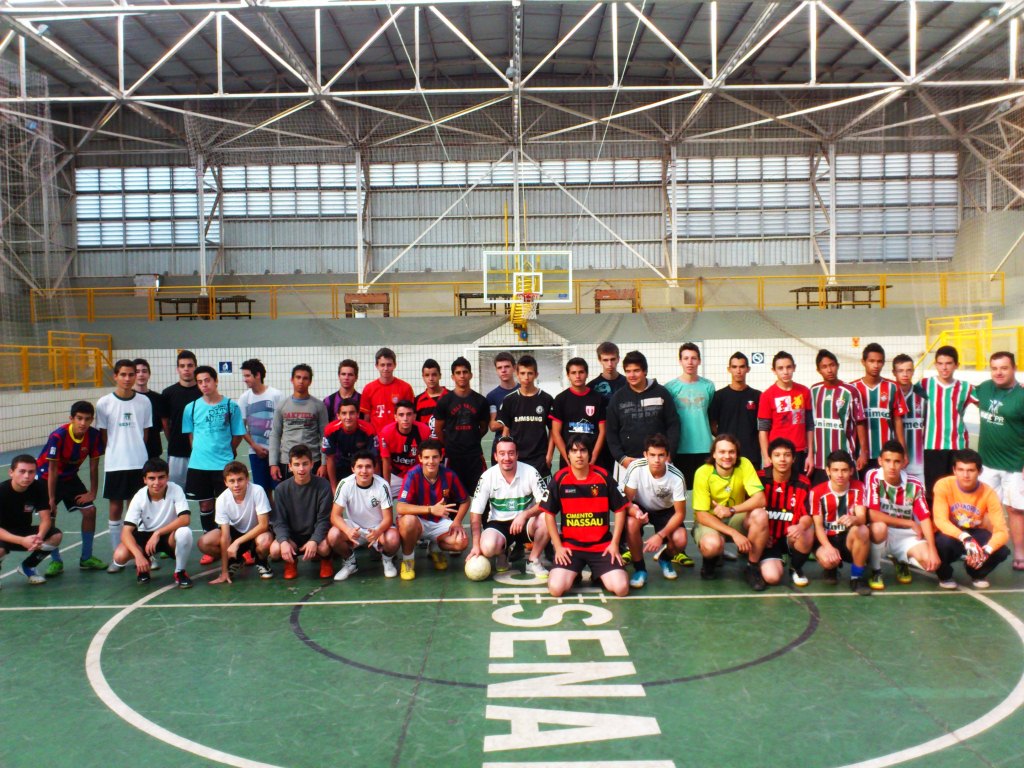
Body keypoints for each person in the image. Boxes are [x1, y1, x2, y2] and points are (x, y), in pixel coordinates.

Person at [544, 436, 630, 598]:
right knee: (556, 589)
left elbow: (620, 509)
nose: (579, 455)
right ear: (568, 455)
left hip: (601, 547)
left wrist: (614, 544)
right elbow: (548, 514)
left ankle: (599, 575)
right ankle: (574, 573)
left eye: (583, 450)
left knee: (621, 589)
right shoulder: (560, 478)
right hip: (571, 547)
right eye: (574, 451)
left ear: (589, 454)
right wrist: (558, 547)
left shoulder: (603, 476)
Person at [35, 400, 107, 574]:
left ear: (92, 420)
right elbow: (52, 469)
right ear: (71, 418)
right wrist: (51, 499)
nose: (83, 423)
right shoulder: (58, 436)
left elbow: (94, 466)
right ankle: (56, 561)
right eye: (79, 418)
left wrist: (92, 492)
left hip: (69, 477)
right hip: (46, 477)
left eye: (87, 419)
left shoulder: (93, 436)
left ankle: (86, 558)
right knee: (50, 516)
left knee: (90, 511)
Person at [691, 433, 768, 590]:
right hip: (711, 521)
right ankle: (710, 561)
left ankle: (752, 567)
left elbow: (760, 499)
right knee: (712, 545)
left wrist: (732, 510)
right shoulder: (702, 472)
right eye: (722, 452)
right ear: (714, 454)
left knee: (760, 515)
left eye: (731, 452)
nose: (727, 456)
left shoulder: (744, 464)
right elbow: (701, 515)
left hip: (734, 517)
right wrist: (734, 533)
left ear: (737, 454)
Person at [96, 359, 152, 573]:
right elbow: (104, 435)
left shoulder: (144, 402)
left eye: (131, 374)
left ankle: (144, 553)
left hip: (139, 462)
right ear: (115, 376)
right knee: (115, 507)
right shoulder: (104, 403)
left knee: (138, 508)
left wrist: (136, 450)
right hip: (115, 463)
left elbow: (145, 433)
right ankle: (118, 555)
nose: (128, 378)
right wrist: (116, 450)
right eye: (123, 374)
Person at [467, 436, 551, 579]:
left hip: (525, 523)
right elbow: (475, 513)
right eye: (502, 453)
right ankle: (502, 553)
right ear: (495, 456)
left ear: (517, 455)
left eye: (511, 453)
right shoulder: (487, 477)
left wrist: (525, 515)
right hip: (499, 524)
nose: (507, 458)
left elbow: (545, 502)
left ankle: (533, 560)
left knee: (546, 518)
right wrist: (475, 545)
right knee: (487, 547)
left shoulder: (530, 472)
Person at [182, 365, 246, 548]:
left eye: (207, 380)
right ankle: (210, 543)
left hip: (223, 466)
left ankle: (234, 543)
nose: (204, 385)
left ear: (216, 381)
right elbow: (191, 435)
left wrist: (227, 450)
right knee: (205, 505)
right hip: (199, 465)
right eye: (200, 382)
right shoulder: (191, 408)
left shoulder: (231, 406)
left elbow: (238, 434)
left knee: (228, 505)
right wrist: (199, 451)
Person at [974, 351, 1024, 571]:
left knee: (1015, 510)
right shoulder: (984, 388)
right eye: (994, 368)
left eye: (1004, 368)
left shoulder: (1021, 395)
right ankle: (985, 549)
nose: (999, 372)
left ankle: (1020, 553)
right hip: (987, 463)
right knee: (984, 509)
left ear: (1014, 368)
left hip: (1015, 465)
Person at [864, 440, 940, 585]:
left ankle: (901, 560)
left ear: (904, 462)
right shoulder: (873, 476)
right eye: (888, 461)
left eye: (897, 461)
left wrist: (933, 549)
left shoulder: (914, 484)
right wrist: (909, 523)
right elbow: (872, 514)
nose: (892, 466)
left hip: (905, 536)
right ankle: (876, 570)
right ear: (880, 461)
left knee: (929, 563)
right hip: (883, 533)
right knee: (879, 527)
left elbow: (924, 517)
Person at [932, 449, 1010, 589]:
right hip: (951, 533)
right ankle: (944, 575)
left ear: (979, 472)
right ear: (954, 470)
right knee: (942, 542)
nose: (965, 475)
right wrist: (965, 537)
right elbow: (940, 521)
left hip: (974, 531)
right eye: (961, 470)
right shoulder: (943, 485)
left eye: (971, 470)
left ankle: (977, 572)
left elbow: (1002, 531)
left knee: (1001, 550)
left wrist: (987, 550)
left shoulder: (989, 493)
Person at [110, 458, 193, 588]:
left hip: (168, 536)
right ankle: (144, 563)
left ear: (167, 477)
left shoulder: (176, 490)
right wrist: (138, 556)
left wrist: (157, 533)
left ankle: (180, 572)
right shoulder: (139, 497)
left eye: (161, 477)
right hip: (145, 538)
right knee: (119, 556)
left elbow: (185, 519)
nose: (157, 482)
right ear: (145, 480)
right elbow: (125, 532)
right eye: (152, 478)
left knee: (185, 532)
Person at [396, 439, 469, 580]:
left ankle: (435, 548)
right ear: (420, 458)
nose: (431, 461)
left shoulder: (449, 475)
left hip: (439, 522)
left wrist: (457, 521)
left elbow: (465, 500)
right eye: (426, 457)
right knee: (408, 522)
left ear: (441, 457)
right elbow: (400, 507)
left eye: (435, 457)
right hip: (418, 521)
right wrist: (430, 509)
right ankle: (408, 560)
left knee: (461, 541)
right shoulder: (412, 475)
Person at [621, 434, 689, 585]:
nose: (656, 460)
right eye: (652, 455)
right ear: (645, 455)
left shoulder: (677, 477)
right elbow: (626, 501)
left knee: (681, 539)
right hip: (641, 506)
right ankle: (640, 569)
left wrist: (660, 535)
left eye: (661, 455)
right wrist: (635, 512)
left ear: (667, 456)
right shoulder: (636, 468)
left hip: (666, 510)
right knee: (631, 523)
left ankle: (665, 558)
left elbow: (680, 513)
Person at [328, 450, 401, 581]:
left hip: (378, 528)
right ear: (353, 469)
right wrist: (347, 530)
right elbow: (335, 516)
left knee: (393, 539)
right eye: (359, 467)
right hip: (355, 528)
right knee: (333, 535)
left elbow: (388, 518)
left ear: (374, 468)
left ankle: (387, 560)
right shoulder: (344, 484)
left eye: (368, 466)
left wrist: (378, 531)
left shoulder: (383, 485)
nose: (364, 471)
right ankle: (350, 563)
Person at [809, 451, 873, 596]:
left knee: (863, 530)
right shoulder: (817, 492)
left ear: (851, 471)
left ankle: (856, 578)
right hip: (827, 538)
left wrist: (854, 519)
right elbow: (818, 526)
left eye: (844, 470)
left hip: (847, 538)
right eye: (835, 470)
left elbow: (862, 517)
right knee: (828, 561)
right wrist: (828, 547)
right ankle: (830, 569)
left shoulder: (859, 487)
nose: (840, 475)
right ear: (828, 471)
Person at [198, 461, 273, 583]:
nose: (236, 485)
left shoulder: (257, 491)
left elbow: (263, 525)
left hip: (257, 532)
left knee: (265, 541)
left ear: (247, 479)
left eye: (240, 480)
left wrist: (237, 542)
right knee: (204, 542)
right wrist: (224, 571)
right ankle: (235, 560)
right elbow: (225, 536)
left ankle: (261, 561)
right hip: (236, 532)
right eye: (232, 481)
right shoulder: (222, 500)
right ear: (225, 482)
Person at [605, 350, 680, 472]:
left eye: (636, 370)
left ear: (645, 371)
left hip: (659, 461)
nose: (632, 375)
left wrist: (669, 454)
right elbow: (611, 432)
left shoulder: (661, 393)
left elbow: (673, 425)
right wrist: (621, 458)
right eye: (628, 371)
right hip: (628, 463)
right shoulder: (618, 398)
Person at [920, 345, 977, 503]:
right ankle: (935, 518)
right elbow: (904, 393)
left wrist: (1016, 387)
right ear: (935, 364)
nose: (944, 368)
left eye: (948, 363)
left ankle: (956, 519)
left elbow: (988, 400)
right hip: (932, 445)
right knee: (934, 490)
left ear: (956, 365)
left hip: (957, 446)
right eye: (940, 363)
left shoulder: (965, 387)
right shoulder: (924, 385)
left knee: (957, 490)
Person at [269, 445, 335, 580]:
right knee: (275, 550)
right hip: (293, 536)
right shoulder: (281, 489)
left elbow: (324, 519)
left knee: (324, 547)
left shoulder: (323, 486)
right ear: (290, 466)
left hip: (315, 532)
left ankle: (325, 559)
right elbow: (279, 521)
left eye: (305, 464)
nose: (301, 469)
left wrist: (314, 540)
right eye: (296, 464)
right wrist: (284, 541)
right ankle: (291, 561)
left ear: (312, 464)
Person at [757, 438, 814, 587]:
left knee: (807, 532)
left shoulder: (803, 482)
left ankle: (796, 568)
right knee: (772, 578)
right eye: (777, 455)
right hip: (767, 540)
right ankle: (760, 562)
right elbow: (749, 515)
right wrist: (760, 536)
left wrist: (800, 526)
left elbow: (807, 516)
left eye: (787, 455)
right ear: (770, 458)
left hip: (790, 537)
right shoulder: (759, 479)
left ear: (794, 459)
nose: (782, 459)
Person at [0, 455, 63, 586]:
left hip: (23, 530)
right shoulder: (2, 491)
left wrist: (39, 537)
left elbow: (46, 519)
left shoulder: (38, 487)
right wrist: (22, 541)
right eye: (22, 471)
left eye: (31, 472)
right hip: (4, 534)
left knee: (55, 536)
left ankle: (28, 566)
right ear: (11, 472)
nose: (27, 476)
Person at [808, 349, 868, 485]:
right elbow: (810, 424)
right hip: (820, 459)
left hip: (844, 456)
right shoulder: (814, 391)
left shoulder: (850, 391)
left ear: (838, 366)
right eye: (824, 367)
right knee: (822, 494)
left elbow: (859, 422)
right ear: (818, 370)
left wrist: (863, 452)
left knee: (848, 493)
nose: (829, 370)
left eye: (832, 365)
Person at [434, 357, 490, 498]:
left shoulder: (481, 401)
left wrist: (472, 438)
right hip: (453, 457)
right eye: (458, 373)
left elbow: (483, 428)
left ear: (471, 375)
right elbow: (438, 429)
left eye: (465, 372)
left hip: (474, 456)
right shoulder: (445, 401)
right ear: (453, 377)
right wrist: (450, 443)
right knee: (452, 498)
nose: (462, 376)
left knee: (481, 496)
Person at [852, 343, 907, 478]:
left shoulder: (892, 387)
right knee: (864, 487)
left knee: (886, 487)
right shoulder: (853, 388)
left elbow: (898, 420)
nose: (876, 365)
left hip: (887, 453)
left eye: (879, 361)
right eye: (871, 361)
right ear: (863, 362)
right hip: (861, 453)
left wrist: (903, 451)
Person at [665, 342, 716, 488]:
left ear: (699, 361)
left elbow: (710, 415)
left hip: (705, 447)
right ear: (680, 361)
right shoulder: (670, 387)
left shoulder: (708, 386)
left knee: (705, 488)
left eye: (693, 358)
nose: (690, 362)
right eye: (686, 358)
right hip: (680, 448)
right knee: (683, 489)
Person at [497, 355, 555, 477]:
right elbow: (506, 431)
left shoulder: (547, 399)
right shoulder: (509, 400)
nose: (526, 377)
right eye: (522, 373)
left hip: (540, 459)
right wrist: (505, 455)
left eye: (530, 373)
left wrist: (549, 456)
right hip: (517, 458)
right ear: (517, 374)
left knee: (542, 490)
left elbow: (552, 431)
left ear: (536, 374)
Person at [270, 364, 329, 482]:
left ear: (310, 382)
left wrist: (324, 463)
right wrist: (273, 463)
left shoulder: (319, 406)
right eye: (298, 377)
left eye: (305, 378)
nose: (301, 381)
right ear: (292, 380)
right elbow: (275, 434)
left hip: (313, 460)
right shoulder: (282, 405)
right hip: (288, 461)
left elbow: (325, 436)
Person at [758, 351, 813, 476]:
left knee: (800, 486)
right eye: (780, 368)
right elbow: (763, 430)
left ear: (794, 368)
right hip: (777, 453)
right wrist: (766, 457)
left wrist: (810, 454)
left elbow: (809, 426)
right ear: (774, 370)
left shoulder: (804, 391)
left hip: (799, 452)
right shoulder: (767, 395)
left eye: (789, 367)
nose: (785, 372)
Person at [550, 357, 606, 472]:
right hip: (569, 461)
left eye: (581, 372)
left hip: (594, 460)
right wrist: (568, 457)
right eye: (573, 373)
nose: (577, 376)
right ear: (568, 375)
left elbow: (603, 431)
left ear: (587, 374)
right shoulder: (560, 399)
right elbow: (555, 432)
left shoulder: (598, 399)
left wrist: (593, 457)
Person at [236, 358, 282, 499]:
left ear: (258, 375)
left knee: (280, 489)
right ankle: (268, 514)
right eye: (244, 376)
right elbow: (241, 427)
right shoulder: (244, 398)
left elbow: (283, 423)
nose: (245, 379)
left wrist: (277, 447)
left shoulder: (276, 395)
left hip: (277, 452)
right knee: (263, 492)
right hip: (256, 452)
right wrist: (254, 446)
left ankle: (280, 514)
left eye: (247, 375)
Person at [708, 352, 762, 466]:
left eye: (742, 367)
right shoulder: (719, 396)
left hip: (751, 454)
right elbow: (712, 425)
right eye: (734, 367)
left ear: (748, 369)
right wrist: (725, 439)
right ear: (729, 369)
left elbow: (764, 425)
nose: (738, 371)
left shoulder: (757, 396)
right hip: (726, 455)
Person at [161, 350, 201, 487]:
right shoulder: (168, 393)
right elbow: (165, 424)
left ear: (195, 367)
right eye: (182, 366)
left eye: (190, 365)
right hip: (177, 452)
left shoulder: (203, 392)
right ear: (177, 369)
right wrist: (173, 440)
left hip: (201, 452)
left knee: (201, 493)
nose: (186, 369)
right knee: (175, 491)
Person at [322, 400, 379, 492]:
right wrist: (333, 487)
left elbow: (374, 459)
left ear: (357, 414)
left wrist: (374, 486)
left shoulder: (369, 429)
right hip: (341, 464)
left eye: (351, 413)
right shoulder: (330, 430)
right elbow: (329, 458)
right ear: (338, 416)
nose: (348, 417)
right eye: (344, 413)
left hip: (362, 465)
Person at [379, 400, 431, 496]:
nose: (405, 418)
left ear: (414, 416)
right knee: (382, 497)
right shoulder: (386, 432)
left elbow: (428, 459)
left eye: (409, 414)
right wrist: (387, 486)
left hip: (418, 474)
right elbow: (386, 461)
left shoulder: (424, 430)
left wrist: (427, 480)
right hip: (396, 475)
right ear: (395, 417)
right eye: (401, 415)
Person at [360, 347, 415, 434]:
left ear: (395, 365)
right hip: (377, 437)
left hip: (399, 436)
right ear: (376, 366)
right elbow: (366, 418)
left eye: (389, 365)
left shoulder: (405, 388)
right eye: (382, 365)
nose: (386, 368)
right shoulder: (368, 389)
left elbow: (411, 415)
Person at [892, 354, 926, 483]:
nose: (905, 374)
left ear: (913, 371)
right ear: (894, 372)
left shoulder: (922, 395)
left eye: (909, 370)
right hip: (895, 461)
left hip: (919, 461)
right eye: (900, 371)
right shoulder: (890, 393)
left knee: (920, 492)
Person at [486, 351, 519, 463]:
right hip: (501, 443)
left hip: (522, 442)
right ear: (496, 370)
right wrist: (517, 420)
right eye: (499, 368)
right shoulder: (492, 396)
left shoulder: (523, 391)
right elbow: (493, 425)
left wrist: (504, 422)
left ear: (514, 368)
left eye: (507, 367)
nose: (503, 370)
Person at [133, 358, 164, 459]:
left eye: (144, 371)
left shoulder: (158, 398)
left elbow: (162, 424)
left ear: (149, 374)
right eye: (137, 372)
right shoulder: (128, 398)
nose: (141, 374)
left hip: (153, 449)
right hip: (133, 451)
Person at [415, 358, 449, 438]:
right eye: (427, 375)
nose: (431, 378)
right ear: (423, 377)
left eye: (434, 375)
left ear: (440, 376)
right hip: (427, 444)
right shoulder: (417, 400)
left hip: (448, 444)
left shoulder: (451, 397)